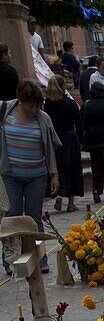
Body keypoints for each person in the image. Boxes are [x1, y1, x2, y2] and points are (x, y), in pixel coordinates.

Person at [0, 80, 59, 273]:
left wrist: (53, 174)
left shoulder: (43, 119)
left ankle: (40, 258)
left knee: (34, 217)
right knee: (12, 216)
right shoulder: (4, 111)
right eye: (30, 104)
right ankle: (11, 259)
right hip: (10, 174)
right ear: (20, 100)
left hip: (36, 174)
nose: (34, 109)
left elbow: (50, 149)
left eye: (37, 105)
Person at [43, 75, 82, 212]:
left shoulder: (47, 104)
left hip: (54, 137)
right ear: (63, 86)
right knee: (72, 168)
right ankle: (70, 202)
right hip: (69, 137)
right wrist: (81, 139)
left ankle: (58, 194)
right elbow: (78, 122)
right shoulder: (70, 104)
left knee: (58, 167)